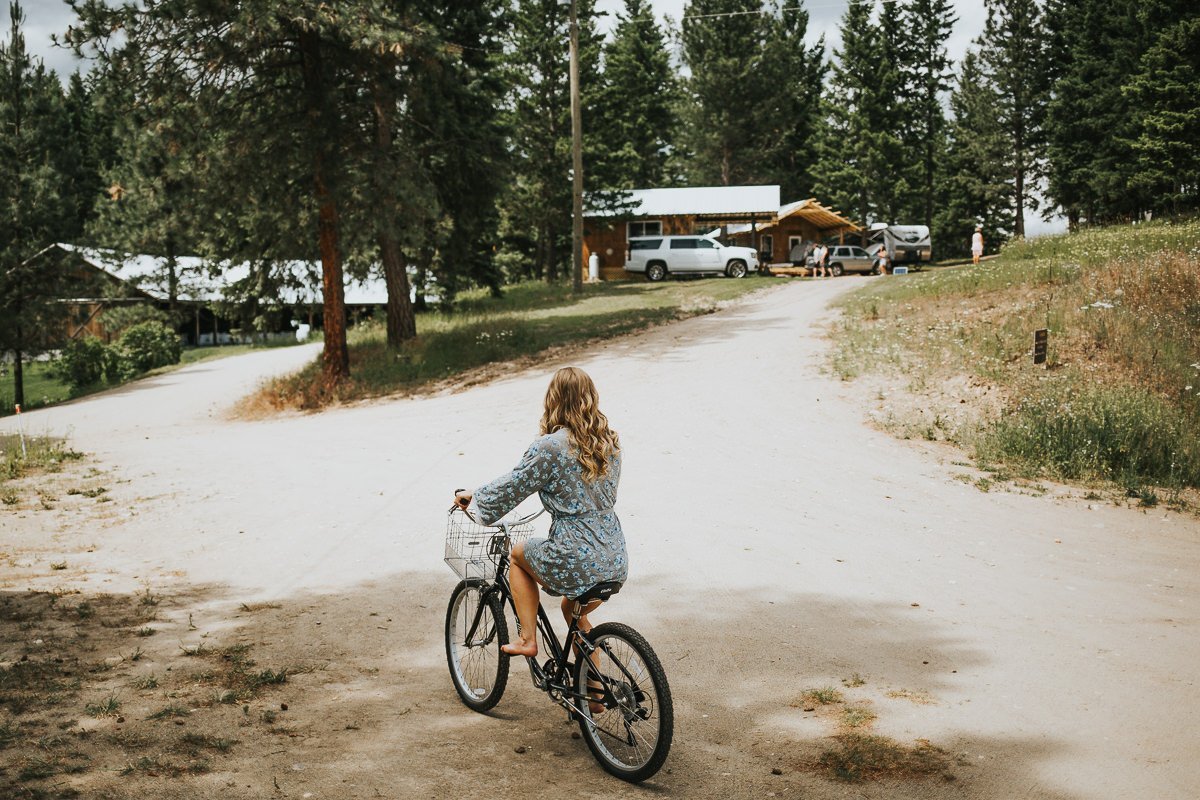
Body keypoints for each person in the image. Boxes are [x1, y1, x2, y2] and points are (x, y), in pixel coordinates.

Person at [454, 367, 627, 668]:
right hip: (613, 555)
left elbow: (513, 484)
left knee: (518, 556)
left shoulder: (550, 447)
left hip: (576, 554)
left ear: (553, 400)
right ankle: (596, 695)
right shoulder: (607, 443)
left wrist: (477, 499)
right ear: (591, 398)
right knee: (573, 610)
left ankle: (527, 640)